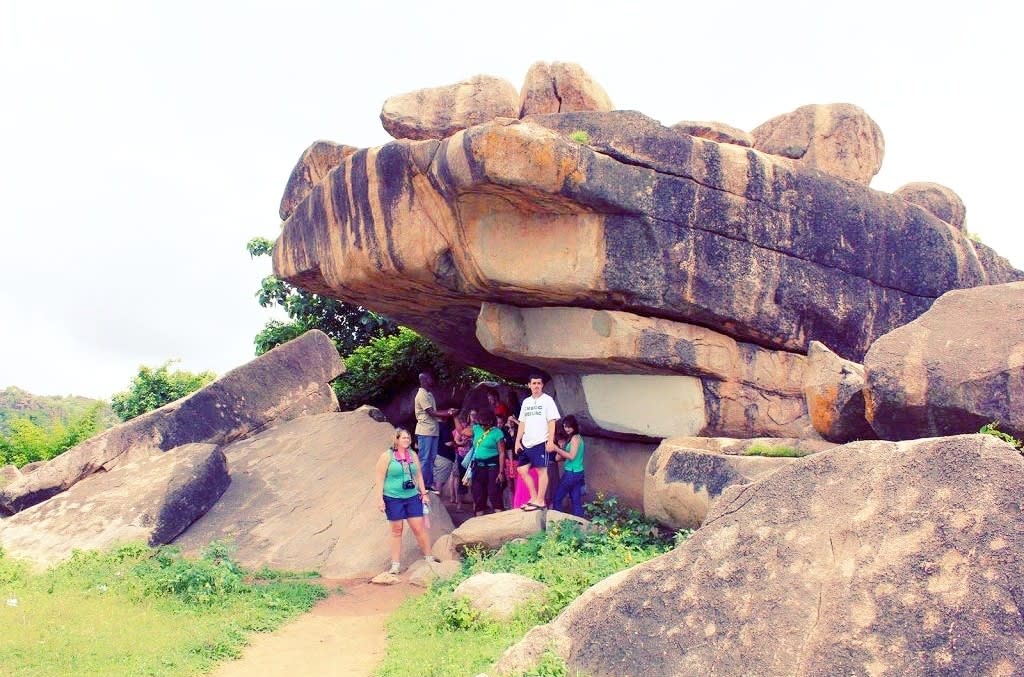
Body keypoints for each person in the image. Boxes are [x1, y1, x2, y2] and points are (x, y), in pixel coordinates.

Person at [374, 428, 437, 575]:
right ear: (396, 439)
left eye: (408, 438)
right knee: (397, 531)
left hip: (411, 496)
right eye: (404, 438)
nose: (407, 440)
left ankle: (429, 558)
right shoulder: (387, 456)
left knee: (419, 528)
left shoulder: (412, 455)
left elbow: (419, 475)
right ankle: (395, 565)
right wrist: (379, 499)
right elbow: (379, 478)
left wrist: (423, 493)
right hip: (393, 498)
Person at [514, 374, 560, 511]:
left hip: (541, 441)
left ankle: (540, 500)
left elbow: (552, 421)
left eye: (539, 383)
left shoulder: (548, 400)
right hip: (527, 442)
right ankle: (534, 497)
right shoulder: (526, 402)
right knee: (521, 470)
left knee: (542, 471)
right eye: (534, 383)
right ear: (529, 385)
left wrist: (550, 441)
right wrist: (517, 441)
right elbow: (522, 422)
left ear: (542, 385)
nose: (536, 386)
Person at [414, 372, 457, 493]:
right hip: (425, 431)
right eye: (430, 378)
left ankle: (428, 484)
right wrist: (448, 413)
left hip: (433, 431)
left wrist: (448, 412)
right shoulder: (421, 395)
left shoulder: (429, 394)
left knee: (431, 458)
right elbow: (431, 412)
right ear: (424, 380)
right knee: (425, 458)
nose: (432, 380)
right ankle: (422, 486)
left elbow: (436, 413)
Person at [468, 409, 506, 516]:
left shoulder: (497, 432)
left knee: (494, 493)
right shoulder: (476, 429)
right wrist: (455, 417)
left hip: (492, 466)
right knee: (478, 494)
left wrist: (501, 472)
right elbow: (462, 431)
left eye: (486, 424)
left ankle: (500, 519)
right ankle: (479, 518)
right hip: (478, 466)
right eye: (481, 424)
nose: (483, 426)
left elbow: (502, 453)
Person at [552, 415, 586, 517]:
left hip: (572, 473)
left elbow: (571, 456)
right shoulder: (572, 438)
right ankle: (579, 525)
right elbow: (558, 459)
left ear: (574, 426)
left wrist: (557, 449)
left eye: (569, 426)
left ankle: (557, 523)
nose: (566, 429)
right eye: (565, 426)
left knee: (557, 498)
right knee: (576, 500)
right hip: (577, 473)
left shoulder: (575, 438)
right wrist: (560, 448)